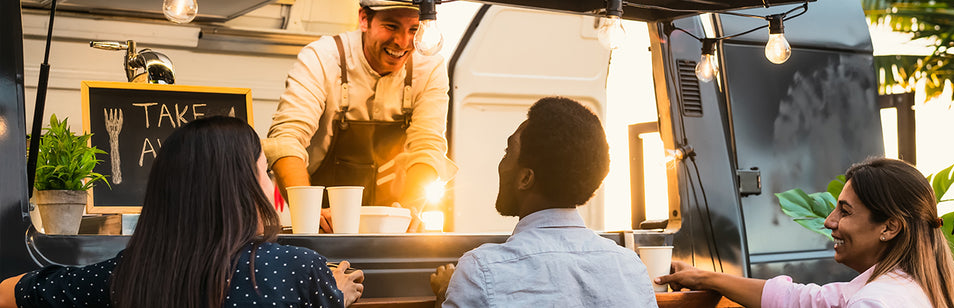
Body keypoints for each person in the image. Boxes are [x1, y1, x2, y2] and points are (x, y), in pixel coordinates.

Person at [0, 116, 365, 308]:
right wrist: (333, 294)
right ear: (242, 186)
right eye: (264, 171)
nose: (270, 184)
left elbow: (7, 293)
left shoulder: (126, 273)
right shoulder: (299, 269)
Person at [428, 97, 658, 307]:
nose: (502, 163)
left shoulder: (481, 270)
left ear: (526, 178)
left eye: (508, 151)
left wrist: (445, 293)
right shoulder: (631, 269)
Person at [656, 158, 954, 308]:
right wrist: (702, 278)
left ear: (889, 227)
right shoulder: (914, 285)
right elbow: (799, 299)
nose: (829, 221)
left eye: (844, 211)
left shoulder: (876, 302)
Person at [264, 0, 455, 232]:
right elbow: (286, 139)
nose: (403, 42)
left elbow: (427, 145)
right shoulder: (322, 57)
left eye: (414, 29)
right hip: (325, 222)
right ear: (364, 19)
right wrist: (309, 213)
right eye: (391, 26)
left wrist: (410, 209)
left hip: (393, 219)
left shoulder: (430, 67)